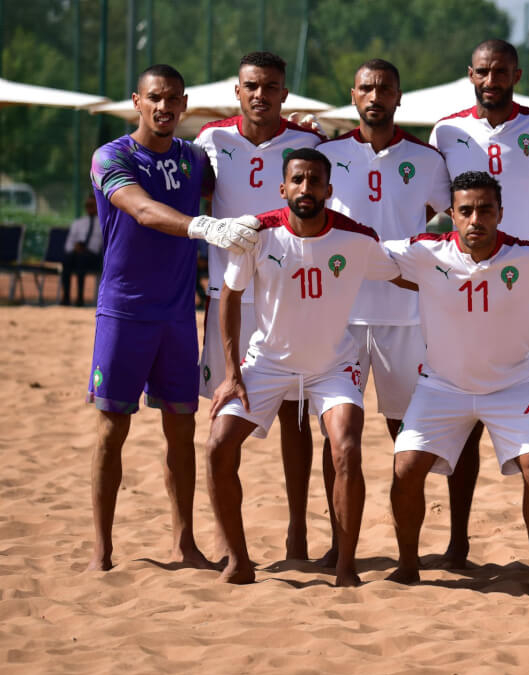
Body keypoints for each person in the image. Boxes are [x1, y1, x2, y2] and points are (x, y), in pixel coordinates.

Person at [206, 147, 407, 587]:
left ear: (329, 190)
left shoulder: (356, 239)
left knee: (347, 449)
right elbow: (230, 296)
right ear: (283, 188)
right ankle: (238, 562)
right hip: (267, 364)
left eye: (315, 181)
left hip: (332, 367)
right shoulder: (257, 234)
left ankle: (345, 567)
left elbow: (403, 273)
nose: (306, 188)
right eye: (297, 180)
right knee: (219, 445)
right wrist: (231, 372)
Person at [87, 64, 261, 571]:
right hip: (123, 312)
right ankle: (101, 550)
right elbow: (141, 210)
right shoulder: (113, 155)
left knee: (181, 432)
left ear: (184, 105)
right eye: (154, 98)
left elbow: (247, 167)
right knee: (111, 430)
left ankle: (184, 543)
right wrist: (203, 227)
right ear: (136, 102)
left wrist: (287, 129)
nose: (164, 107)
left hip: (179, 318)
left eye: (172, 100)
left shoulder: (192, 157)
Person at [385, 171, 529, 593]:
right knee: (405, 469)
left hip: (513, 386)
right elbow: (374, 260)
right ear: (451, 214)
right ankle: (407, 565)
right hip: (442, 386)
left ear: (500, 214)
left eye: (485, 210)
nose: (476, 219)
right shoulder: (426, 251)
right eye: (466, 211)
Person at [430, 38, 529, 568]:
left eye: (502, 73)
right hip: (463, 298)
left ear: (517, 74)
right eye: (483, 73)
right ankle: (458, 541)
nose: (492, 81)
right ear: (471, 73)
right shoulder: (446, 131)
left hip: (527, 300)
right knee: (463, 420)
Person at [316, 58, 452, 568]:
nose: (376, 95)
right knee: (339, 441)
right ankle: (340, 544)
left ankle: (407, 555)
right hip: (341, 319)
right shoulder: (327, 153)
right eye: (367, 87)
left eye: (385, 88)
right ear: (353, 94)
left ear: (400, 96)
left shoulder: (428, 159)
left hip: (406, 317)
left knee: (407, 440)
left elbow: (451, 214)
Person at [193, 51, 325, 561]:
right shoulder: (210, 140)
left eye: (271, 86)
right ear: (237, 90)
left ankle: (297, 534)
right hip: (226, 297)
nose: (260, 94)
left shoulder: (308, 142)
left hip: (287, 300)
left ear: (284, 92)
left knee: (296, 416)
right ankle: (231, 542)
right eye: (252, 85)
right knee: (225, 419)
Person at [61, 194, 103, 306]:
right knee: (67, 259)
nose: (90, 207)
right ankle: (65, 297)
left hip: (94, 256)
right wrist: (75, 248)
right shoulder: (78, 223)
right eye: (88, 205)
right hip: (77, 254)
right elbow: (68, 244)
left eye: (92, 205)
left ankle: (80, 298)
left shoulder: (103, 223)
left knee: (82, 259)